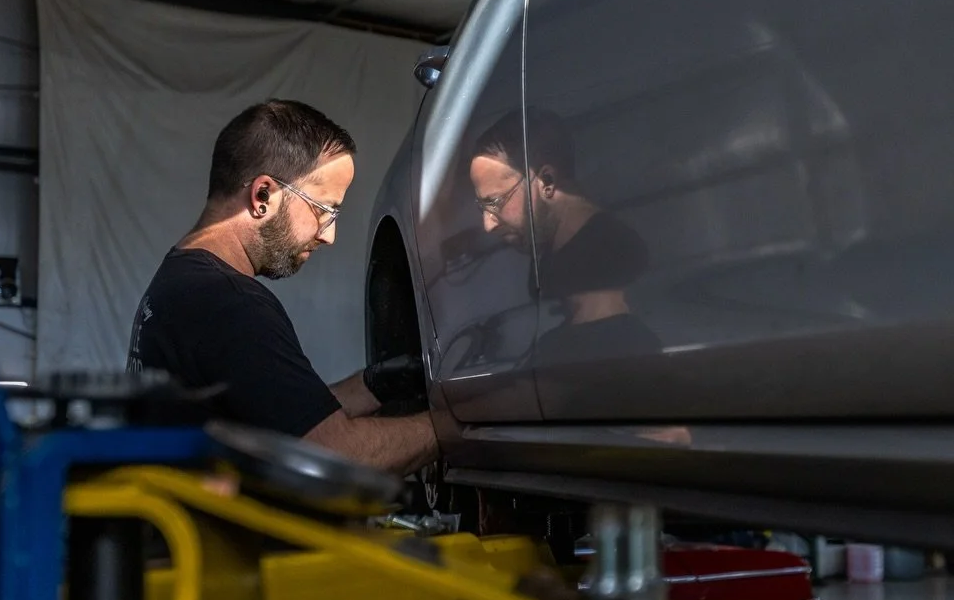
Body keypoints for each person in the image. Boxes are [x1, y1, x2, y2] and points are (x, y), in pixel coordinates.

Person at [126, 99, 436, 475]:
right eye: (324, 210)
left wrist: (376, 384)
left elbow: (283, 414)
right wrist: (448, 428)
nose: (330, 235)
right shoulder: (229, 304)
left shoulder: (182, 280)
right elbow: (330, 454)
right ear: (263, 197)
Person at [468, 108, 662, 363]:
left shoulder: (606, 257)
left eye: (495, 202)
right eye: (483, 208)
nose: (488, 224)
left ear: (546, 180)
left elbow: (593, 364)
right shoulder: (566, 256)